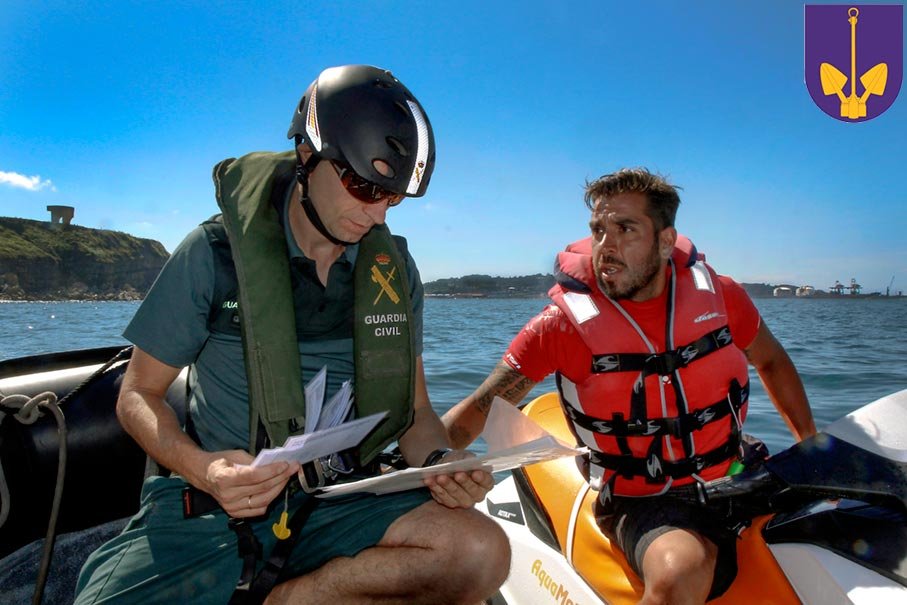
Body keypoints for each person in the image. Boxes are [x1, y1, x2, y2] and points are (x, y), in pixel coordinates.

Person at [74, 65, 509, 605]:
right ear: (308, 156)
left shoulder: (394, 273)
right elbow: (138, 394)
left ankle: (287, 598)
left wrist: (443, 464)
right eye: (362, 185)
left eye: (392, 198)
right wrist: (204, 469)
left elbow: (417, 415)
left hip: (340, 500)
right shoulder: (213, 256)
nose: (375, 214)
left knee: (481, 552)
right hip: (216, 505)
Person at [443, 168, 816, 605]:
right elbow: (481, 406)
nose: (606, 246)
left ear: (664, 240)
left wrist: (810, 448)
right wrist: (421, 463)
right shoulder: (561, 327)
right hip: (642, 499)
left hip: (735, 470)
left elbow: (771, 360)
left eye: (625, 229)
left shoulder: (721, 296)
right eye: (599, 230)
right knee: (681, 570)